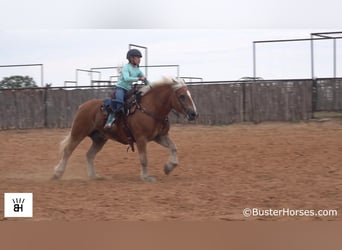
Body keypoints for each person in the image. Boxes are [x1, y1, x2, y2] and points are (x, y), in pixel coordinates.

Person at [104, 49, 149, 128]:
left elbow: (145, 79)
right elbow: (126, 78)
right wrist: (139, 79)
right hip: (120, 88)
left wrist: (151, 86)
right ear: (131, 58)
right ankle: (110, 120)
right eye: (137, 57)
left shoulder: (137, 70)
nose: (139, 60)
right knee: (120, 102)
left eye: (140, 58)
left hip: (129, 90)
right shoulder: (126, 67)